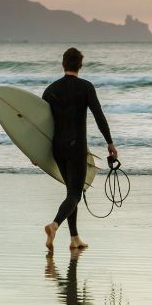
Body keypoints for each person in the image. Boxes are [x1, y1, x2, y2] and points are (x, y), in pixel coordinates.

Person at [42, 47, 117, 251]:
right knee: (75, 193)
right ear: (80, 65)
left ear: (63, 64)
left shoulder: (50, 90)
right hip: (76, 147)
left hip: (57, 148)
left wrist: (37, 152)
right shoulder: (86, 87)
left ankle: (74, 238)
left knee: (70, 192)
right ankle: (54, 225)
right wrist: (109, 142)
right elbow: (99, 116)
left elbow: (40, 123)